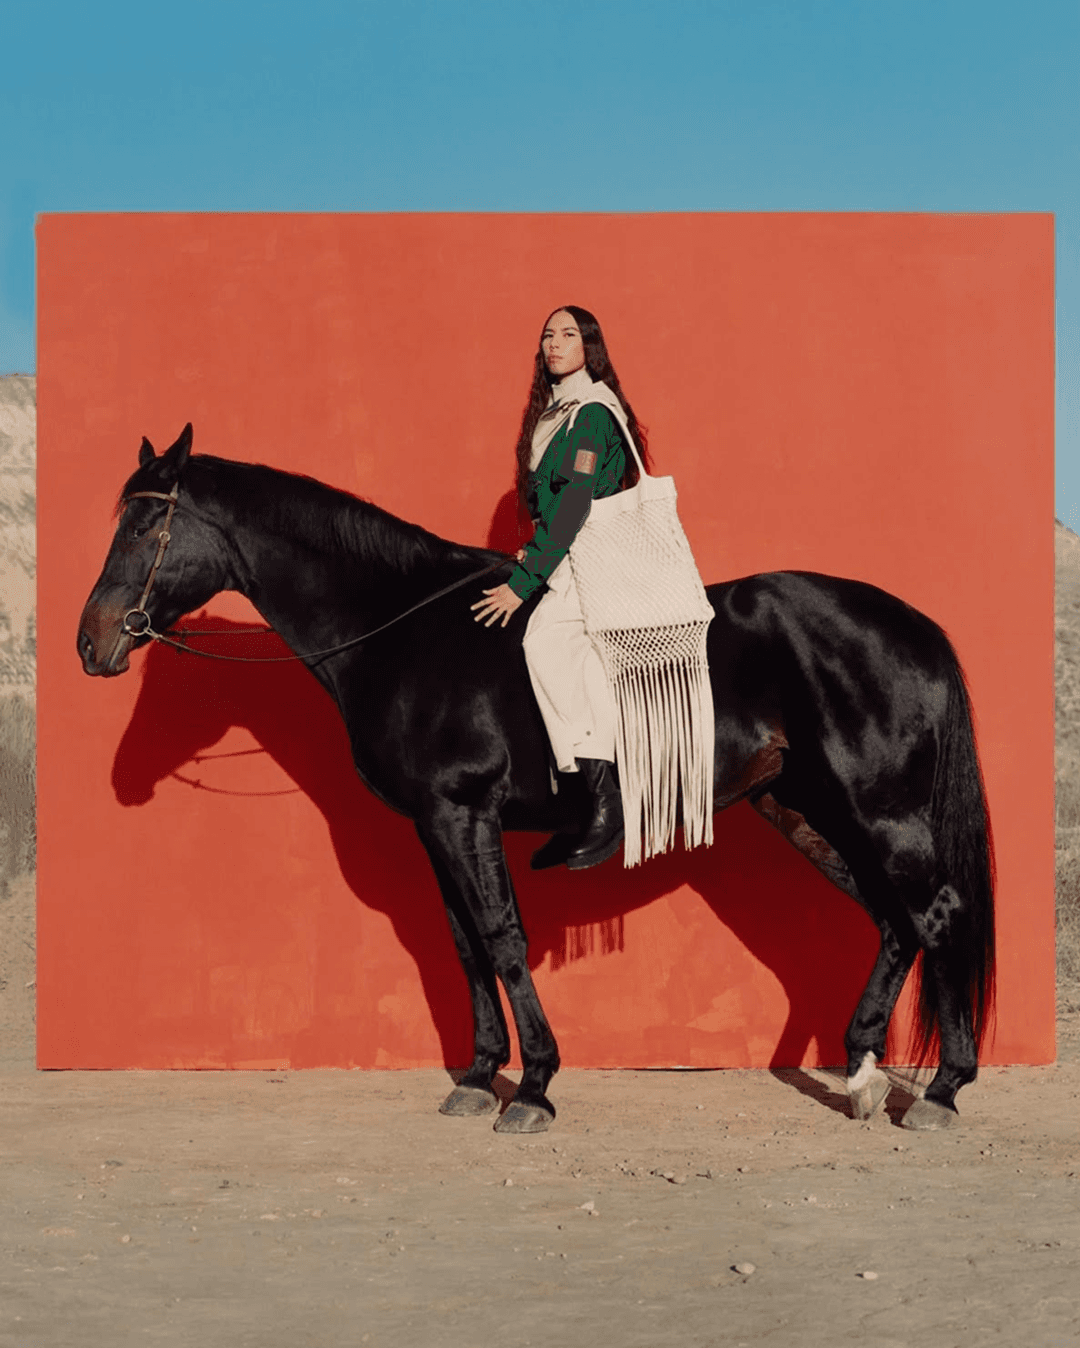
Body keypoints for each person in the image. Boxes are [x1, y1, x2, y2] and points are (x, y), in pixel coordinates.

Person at [471, 306, 650, 870]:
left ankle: (605, 800)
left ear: (589, 347)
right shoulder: (557, 414)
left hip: (594, 557)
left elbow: (574, 503)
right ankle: (569, 805)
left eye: (568, 334)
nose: (554, 343)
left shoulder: (591, 415)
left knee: (545, 642)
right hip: (569, 550)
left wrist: (522, 584)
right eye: (548, 335)